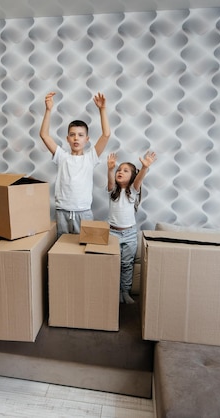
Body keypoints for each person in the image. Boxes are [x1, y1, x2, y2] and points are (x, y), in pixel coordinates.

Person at [40, 91, 111, 236]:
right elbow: (44, 135)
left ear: (87, 139)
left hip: (83, 212)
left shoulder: (90, 157)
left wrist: (102, 110)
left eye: (80, 135)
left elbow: (106, 135)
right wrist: (48, 110)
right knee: (63, 248)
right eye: (72, 135)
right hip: (62, 212)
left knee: (83, 251)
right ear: (67, 139)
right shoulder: (61, 156)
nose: (76, 139)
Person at [107, 151, 157, 304]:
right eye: (119, 170)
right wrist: (109, 169)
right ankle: (114, 291)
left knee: (126, 264)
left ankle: (125, 291)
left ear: (132, 177)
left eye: (125, 170)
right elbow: (110, 181)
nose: (120, 172)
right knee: (113, 263)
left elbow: (139, 180)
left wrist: (144, 168)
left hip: (129, 234)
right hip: (112, 233)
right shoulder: (112, 191)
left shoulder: (133, 192)